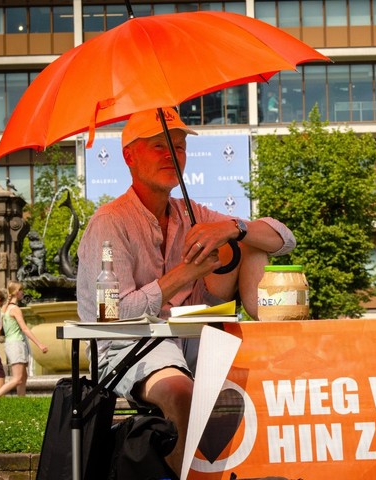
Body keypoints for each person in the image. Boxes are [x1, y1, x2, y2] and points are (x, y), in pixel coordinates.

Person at [77, 107, 296, 477]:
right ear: (129, 156)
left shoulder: (191, 212)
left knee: (248, 239)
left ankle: (269, 331)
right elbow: (111, 316)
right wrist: (185, 274)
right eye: (159, 146)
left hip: (192, 336)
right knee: (181, 393)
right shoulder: (109, 222)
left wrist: (233, 227)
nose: (172, 155)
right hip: (129, 344)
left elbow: (284, 240)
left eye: (178, 147)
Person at [0, 281, 48, 397]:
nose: (23, 292)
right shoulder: (15, 309)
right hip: (16, 344)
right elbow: (25, 329)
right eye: (21, 290)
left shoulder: (4, 308)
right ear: (17, 292)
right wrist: (40, 344)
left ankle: (21, 400)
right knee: (17, 378)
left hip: (11, 344)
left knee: (23, 377)